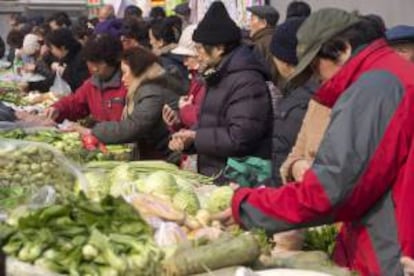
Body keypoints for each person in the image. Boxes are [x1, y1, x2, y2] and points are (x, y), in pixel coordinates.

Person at [230, 8, 414, 275]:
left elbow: (330, 190)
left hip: (391, 254)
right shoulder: (389, 75)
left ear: (342, 48)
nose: (318, 78)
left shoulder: (375, 88)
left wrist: (246, 206)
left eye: (316, 66)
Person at [169, 2, 272, 180]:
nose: (197, 54)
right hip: (214, 174)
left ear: (219, 48)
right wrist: (189, 140)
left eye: (200, 48)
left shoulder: (247, 81)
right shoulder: (217, 75)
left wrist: (196, 136)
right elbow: (210, 123)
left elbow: (240, 138)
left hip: (235, 179)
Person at [66, 47, 181, 161]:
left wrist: (91, 132)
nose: (122, 79)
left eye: (125, 73)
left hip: (165, 156)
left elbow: (133, 126)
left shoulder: (152, 92)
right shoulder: (143, 89)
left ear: (138, 72)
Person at [44, 34, 126, 124]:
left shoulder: (127, 84)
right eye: (91, 63)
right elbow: (75, 102)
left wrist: (94, 132)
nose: (95, 68)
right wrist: (58, 109)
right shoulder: (91, 84)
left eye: (100, 63)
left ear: (115, 61)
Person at [163, 24, 206, 130]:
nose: (184, 62)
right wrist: (176, 121)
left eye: (187, 57)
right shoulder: (196, 78)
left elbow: (203, 121)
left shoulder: (207, 81)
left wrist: (184, 110)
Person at [247, 5, 280, 85]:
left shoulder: (261, 44)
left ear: (263, 23)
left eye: (252, 19)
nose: (249, 24)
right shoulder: (277, 37)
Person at [149, 19, 188, 85]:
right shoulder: (184, 56)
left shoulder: (162, 63)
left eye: (151, 39)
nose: (150, 42)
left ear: (160, 42)